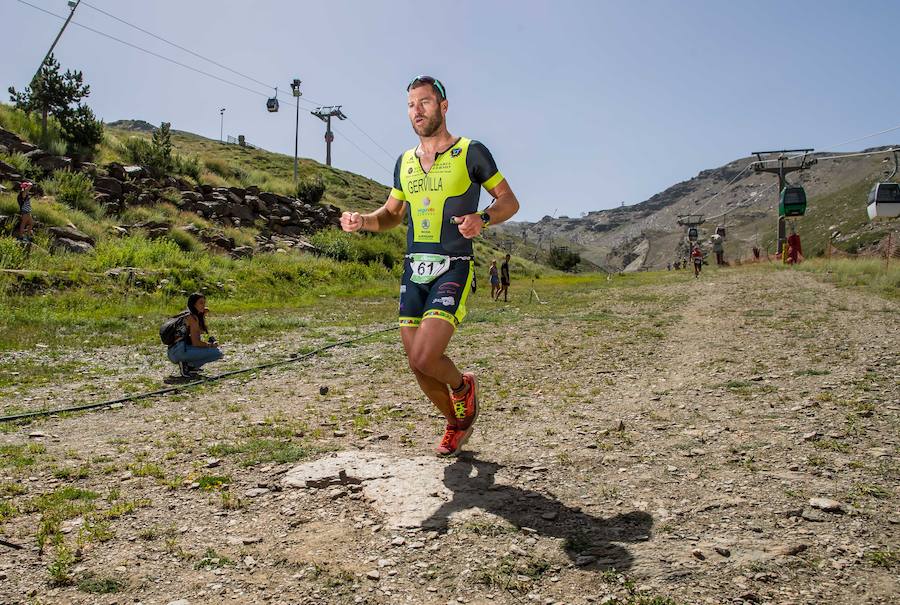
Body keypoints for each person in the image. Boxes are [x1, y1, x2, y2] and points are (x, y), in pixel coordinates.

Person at [340, 75, 520, 457]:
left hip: (453, 265)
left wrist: (483, 219)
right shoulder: (404, 162)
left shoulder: (471, 152)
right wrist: (363, 221)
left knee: (425, 355)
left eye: (424, 102)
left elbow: (508, 200)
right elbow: (392, 214)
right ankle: (456, 423)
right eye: (411, 105)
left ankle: (463, 386)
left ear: (443, 106)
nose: (416, 111)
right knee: (417, 364)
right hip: (414, 269)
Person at [167, 293, 223, 377]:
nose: (203, 306)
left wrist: (202, 315)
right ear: (193, 304)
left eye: (204, 303)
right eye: (201, 303)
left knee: (206, 349)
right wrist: (210, 345)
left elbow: (199, 332)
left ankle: (189, 367)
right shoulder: (192, 318)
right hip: (178, 352)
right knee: (217, 353)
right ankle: (188, 365)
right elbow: (196, 343)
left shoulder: (186, 314)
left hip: (173, 351)